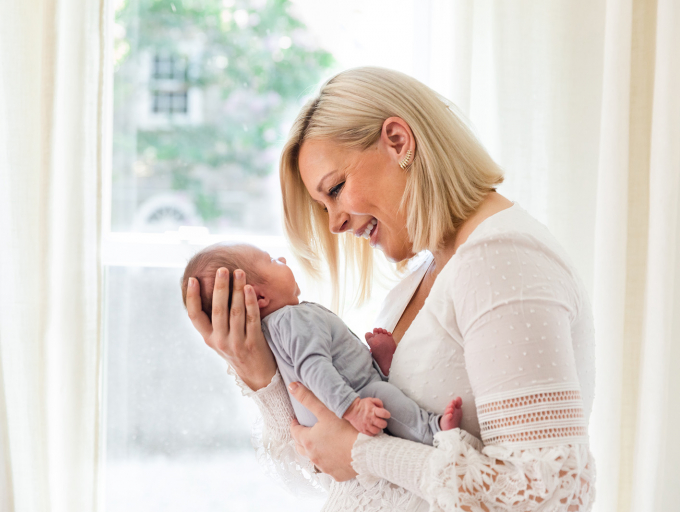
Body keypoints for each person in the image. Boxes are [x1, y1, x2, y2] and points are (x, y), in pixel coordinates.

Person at [185, 67, 595, 511]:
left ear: (398, 141)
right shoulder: (423, 275)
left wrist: (364, 453)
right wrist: (258, 370)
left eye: (336, 189)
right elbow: (327, 471)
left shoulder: (499, 259)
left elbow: (548, 496)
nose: (334, 223)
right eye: (324, 205)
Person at [180, 242, 467, 444]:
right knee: (384, 396)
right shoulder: (291, 319)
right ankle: (433, 429)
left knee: (382, 390)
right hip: (348, 399)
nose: (282, 259)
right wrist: (352, 408)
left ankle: (386, 370)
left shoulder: (272, 332)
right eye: (271, 261)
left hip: (333, 407)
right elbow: (313, 368)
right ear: (260, 298)